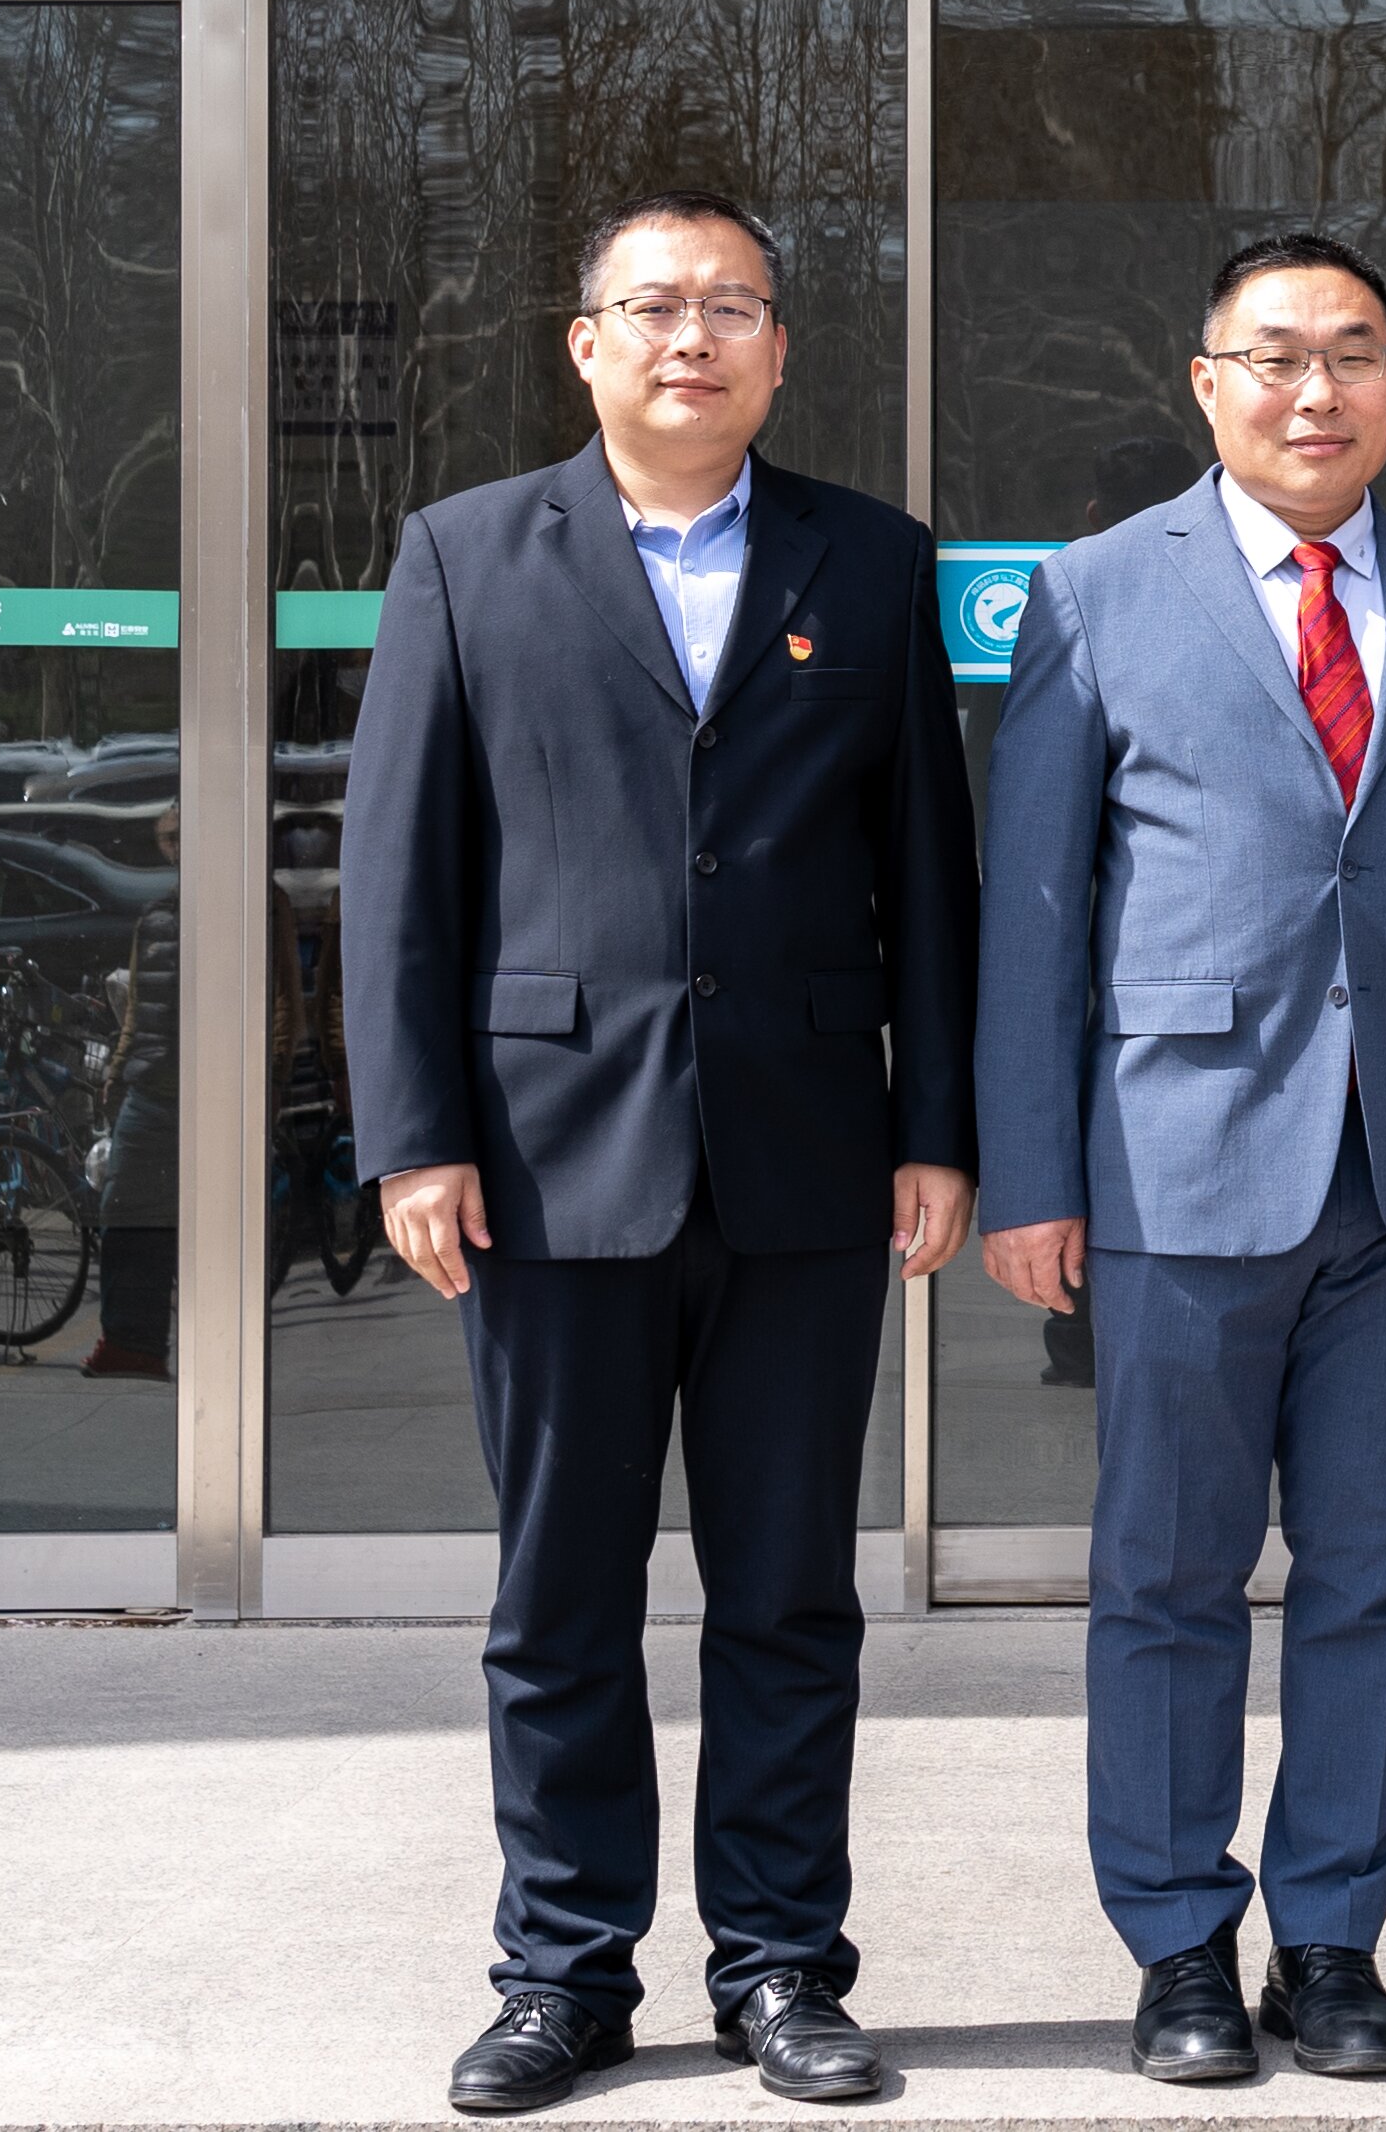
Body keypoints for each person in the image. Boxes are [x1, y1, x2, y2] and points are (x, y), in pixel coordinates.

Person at [344, 190, 978, 2118]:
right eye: (652, 306)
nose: (690, 337)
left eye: (731, 307)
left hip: (806, 1157)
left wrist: (936, 1127)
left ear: (780, 348)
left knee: (790, 1597)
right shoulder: (465, 553)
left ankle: (781, 1965)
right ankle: (563, 1973)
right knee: (560, 1600)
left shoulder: (872, 561)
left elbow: (927, 871)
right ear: (586, 343)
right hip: (546, 1162)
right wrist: (414, 1139)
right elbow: (400, 876)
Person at [975, 229, 1386, 2089]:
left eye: (1353, 354)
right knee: (1166, 1576)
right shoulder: (1092, 593)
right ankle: (1176, 1942)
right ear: (1207, 384)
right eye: (1275, 357)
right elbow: (1034, 911)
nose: (1315, 391)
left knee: (1373, 1581)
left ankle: (1331, 1940)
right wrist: (1031, 1172)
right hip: (1174, 1166)